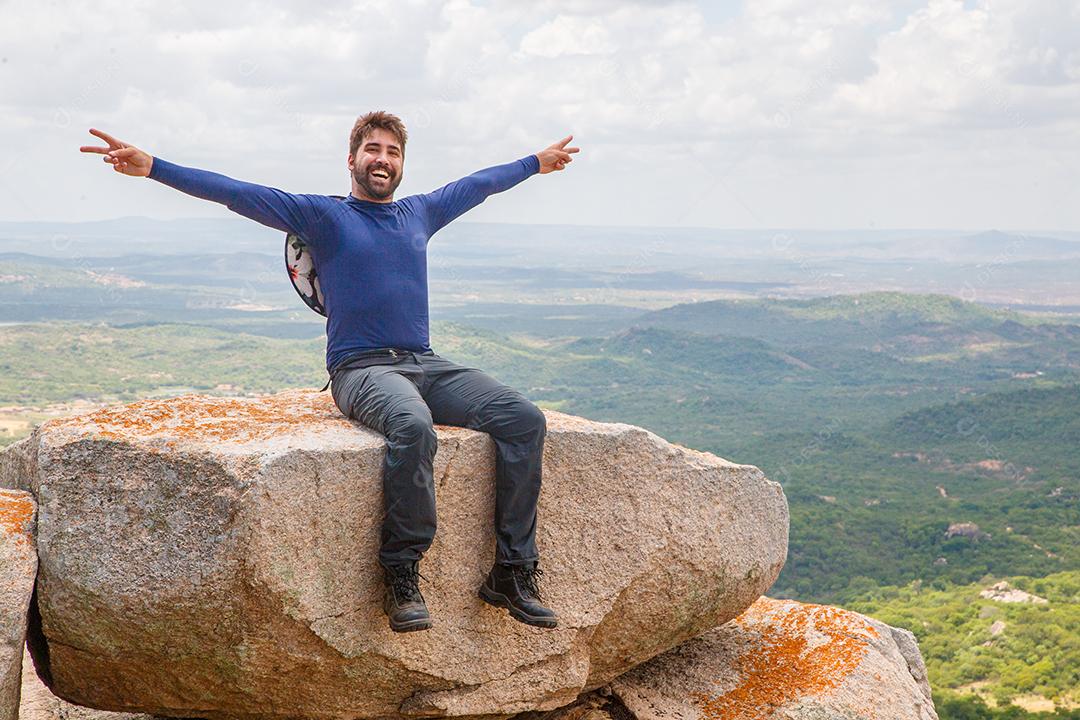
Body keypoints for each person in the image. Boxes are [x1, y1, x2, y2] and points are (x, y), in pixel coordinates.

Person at [80, 111, 579, 633]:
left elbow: (478, 185)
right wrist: (152, 166)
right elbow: (235, 191)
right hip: (360, 369)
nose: (382, 159)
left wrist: (535, 163)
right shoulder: (323, 216)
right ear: (352, 159)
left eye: (393, 152)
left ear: (402, 164)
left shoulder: (419, 213)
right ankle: (401, 572)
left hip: (424, 362)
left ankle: (513, 571)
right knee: (412, 425)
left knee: (523, 418)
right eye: (373, 150)